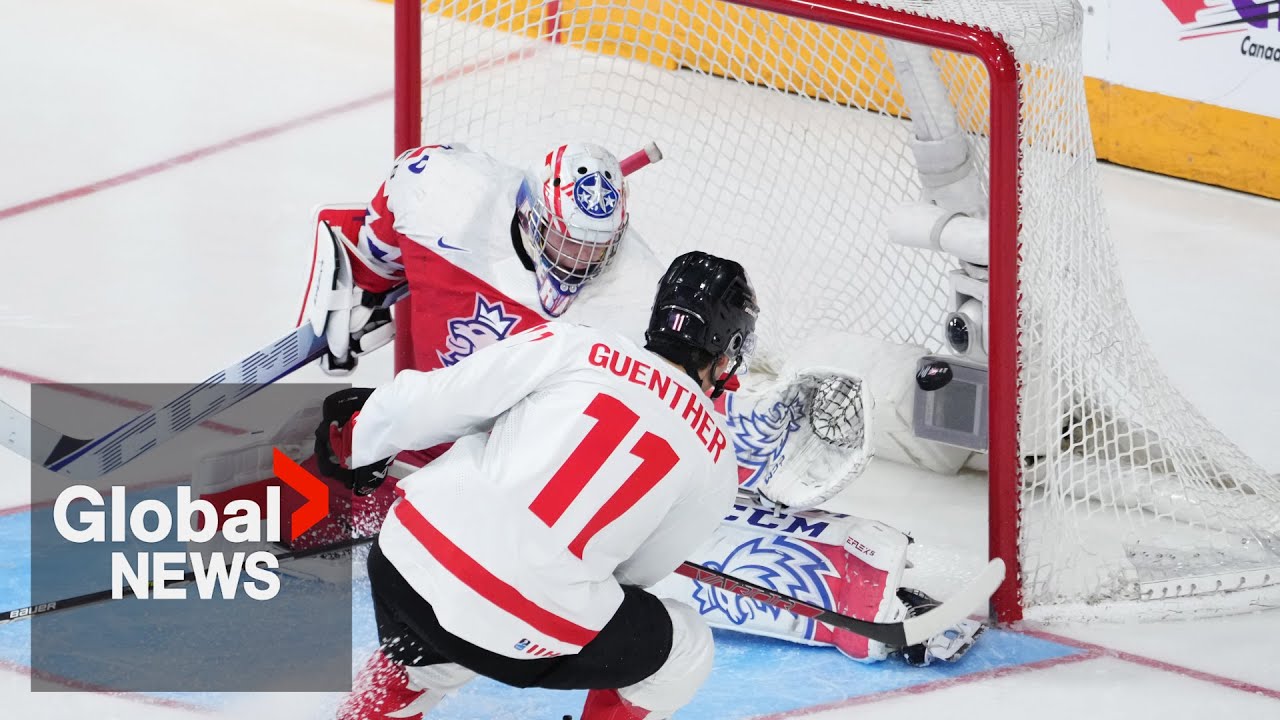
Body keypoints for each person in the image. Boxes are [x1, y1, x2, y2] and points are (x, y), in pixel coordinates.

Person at [317, 252, 759, 720]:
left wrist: (357, 440)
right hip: (523, 630)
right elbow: (633, 577)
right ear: (725, 349)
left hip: (403, 563)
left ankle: (376, 707)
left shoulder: (576, 345)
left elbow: (439, 400)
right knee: (687, 649)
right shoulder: (716, 460)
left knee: (438, 629)